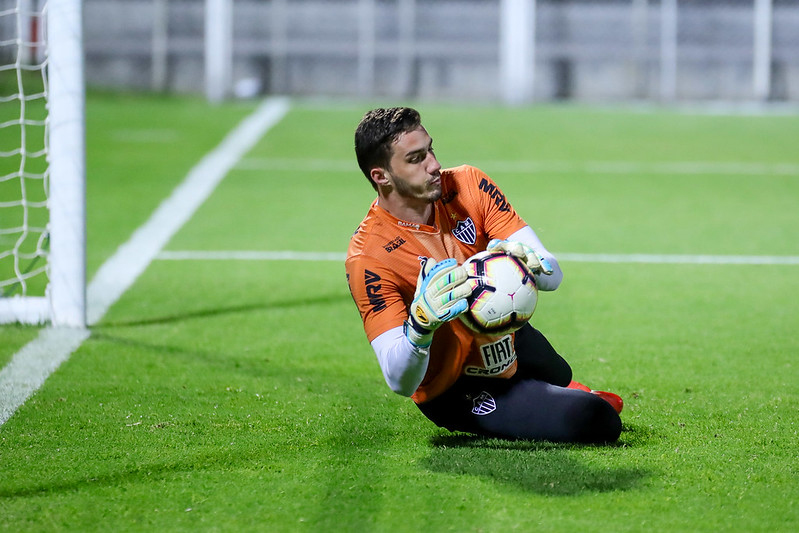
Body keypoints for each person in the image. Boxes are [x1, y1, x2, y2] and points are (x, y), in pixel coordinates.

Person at [345, 107, 622, 443]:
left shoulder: (468, 184)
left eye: (430, 150)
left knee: (559, 372)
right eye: (416, 159)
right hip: (455, 384)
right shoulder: (368, 258)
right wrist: (419, 326)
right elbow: (400, 382)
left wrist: (532, 263)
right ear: (381, 176)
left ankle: (550, 391)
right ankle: (555, 397)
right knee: (597, 420)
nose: (433, 164)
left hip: (503, 336)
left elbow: (553, 275)